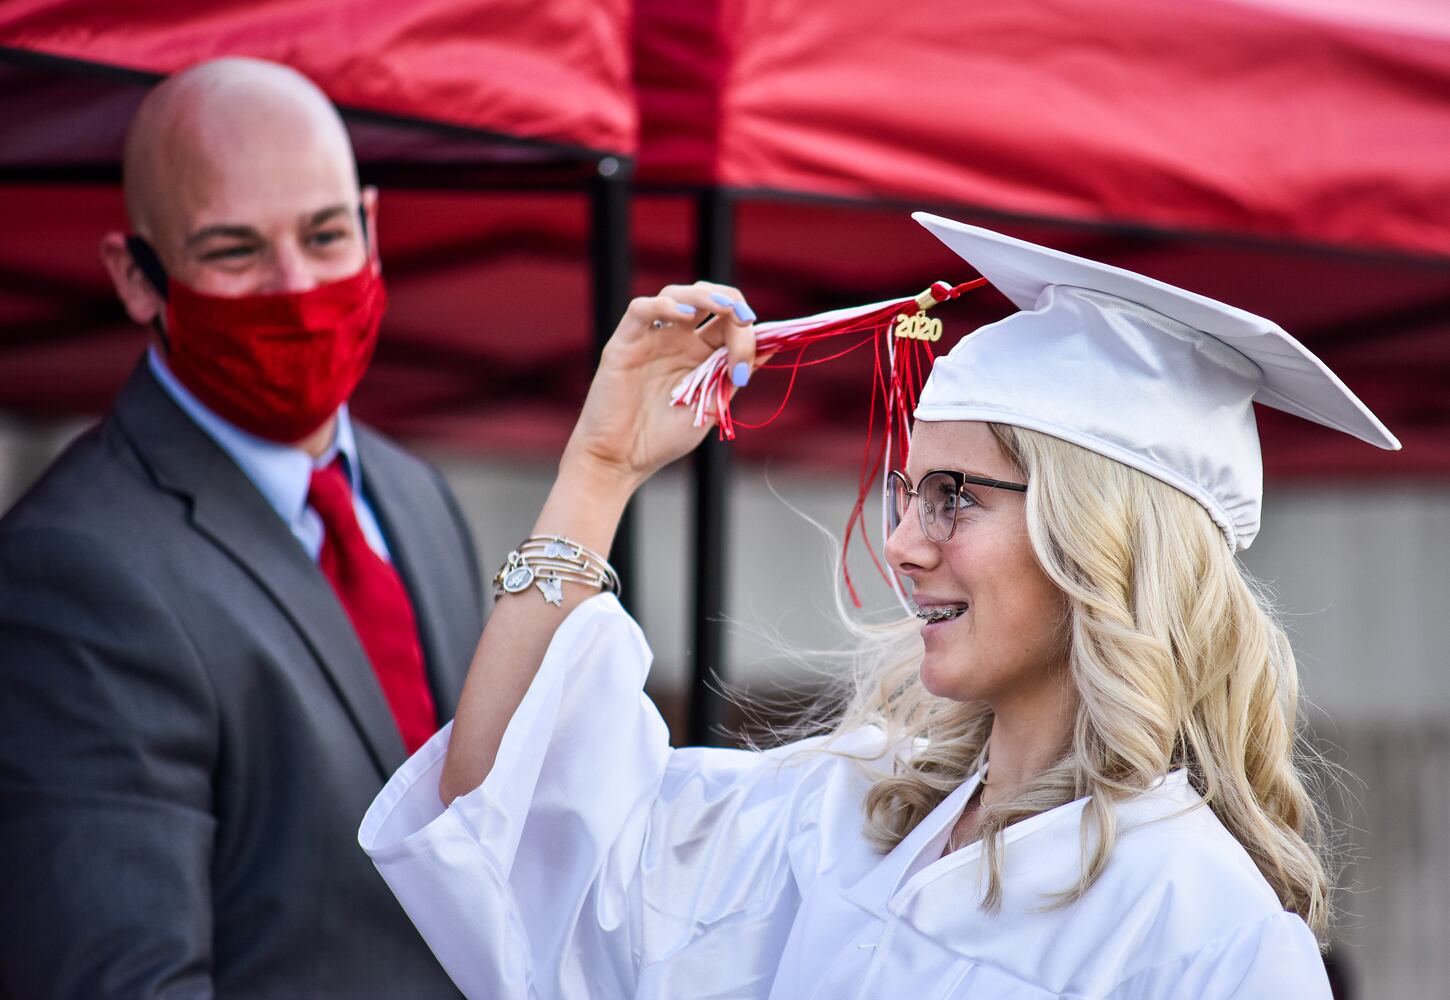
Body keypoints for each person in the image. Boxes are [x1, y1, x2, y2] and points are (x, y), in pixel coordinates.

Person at [360, 216, 1398, 998]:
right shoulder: (847, 820)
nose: (902, 542)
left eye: (956, 495)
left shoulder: (1197, 926)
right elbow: (517, 823)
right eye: (908, 490)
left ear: (1105, 544)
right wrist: (597, 472)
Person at [0, 59, 482, 997]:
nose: (295, 286)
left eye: (326, 233)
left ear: (373, 228)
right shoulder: (72, 567)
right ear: (135, 278)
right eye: (233, 252)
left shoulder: (419, 498)